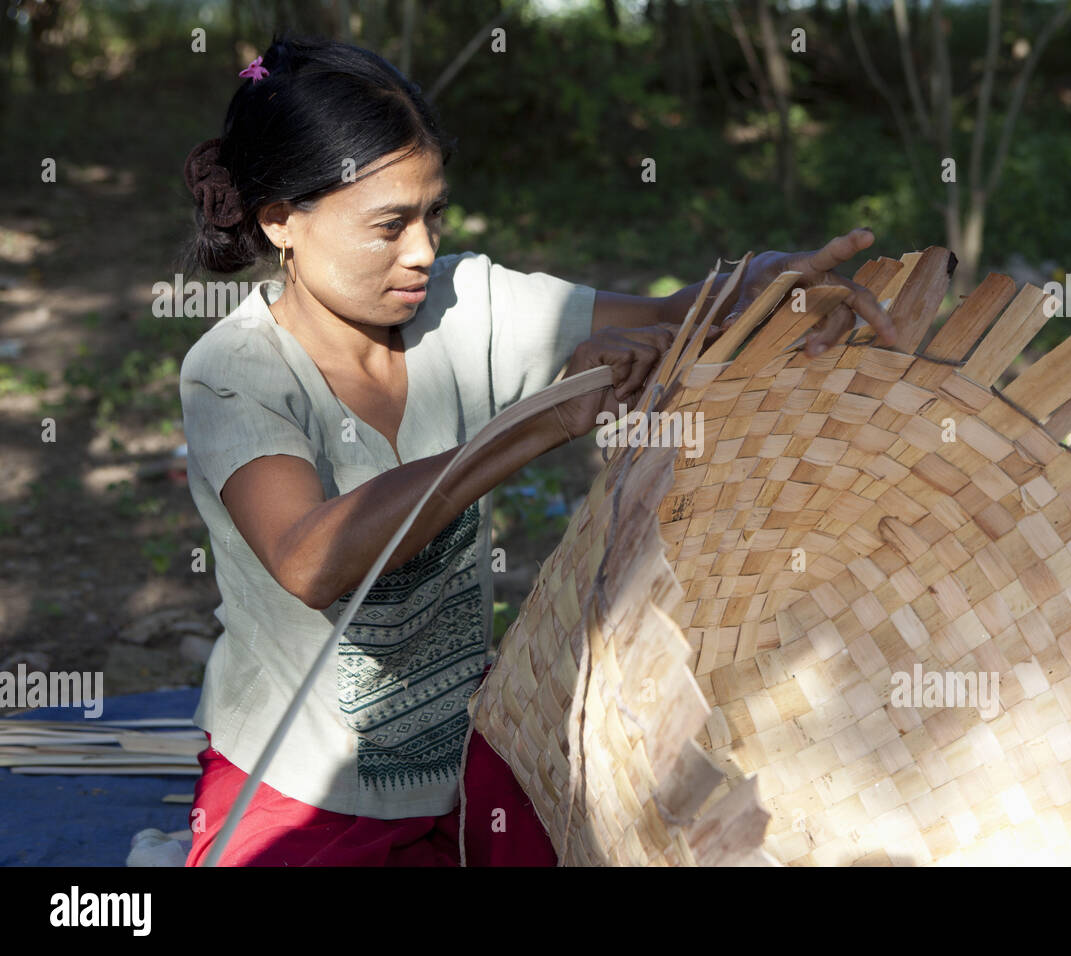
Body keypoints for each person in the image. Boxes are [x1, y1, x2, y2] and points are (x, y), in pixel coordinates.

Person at [177, 34, 896, 867]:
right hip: (301, 788)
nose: (421, 251)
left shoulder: (463, 305)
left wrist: (765, 284)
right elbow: (312, 559)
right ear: (281, 222)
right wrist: (538, 423)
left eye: (432, 213)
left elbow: (675, 316)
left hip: (470, 756)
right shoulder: (235, 371)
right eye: (389, 225)